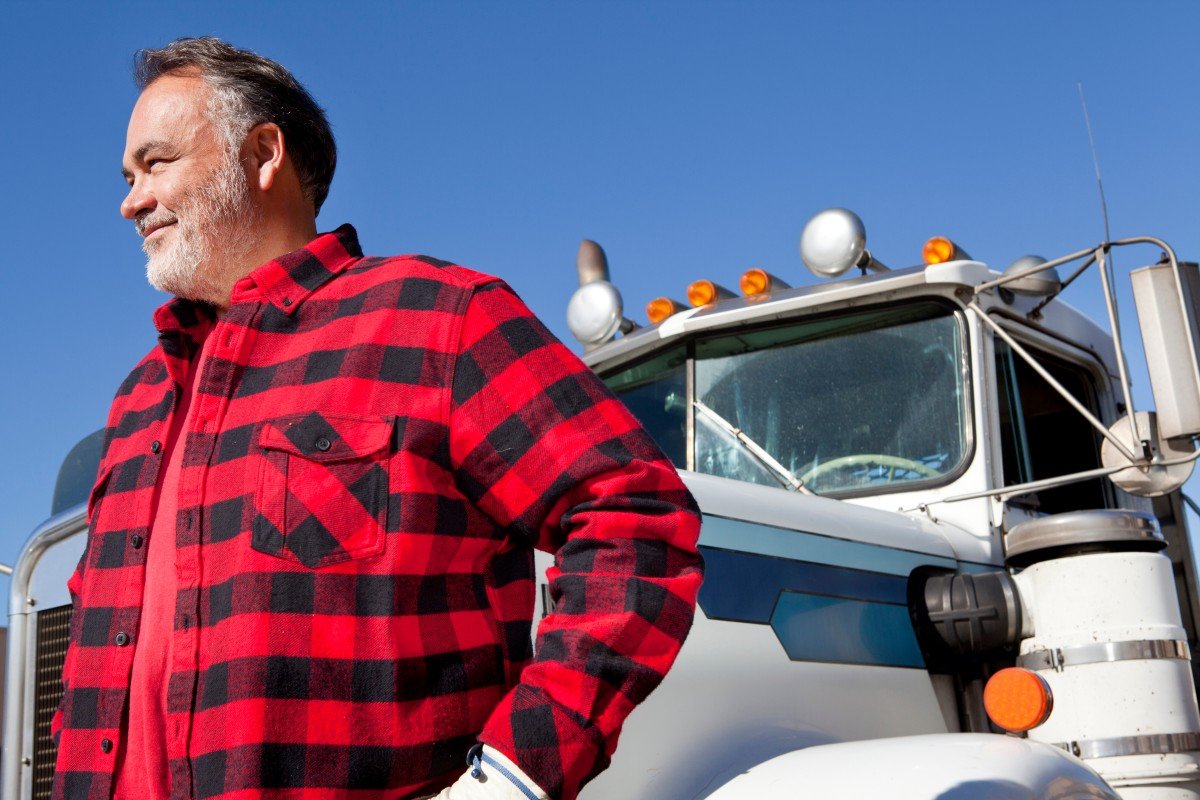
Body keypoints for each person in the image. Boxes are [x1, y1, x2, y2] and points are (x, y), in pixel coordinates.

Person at [52, 37, 702, 800]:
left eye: (155, 164)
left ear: (263, 154)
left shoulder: (438, 318)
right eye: (128, 177)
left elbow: (635, 514)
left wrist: (515, 776)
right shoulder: (140, 397)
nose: (130, 201)